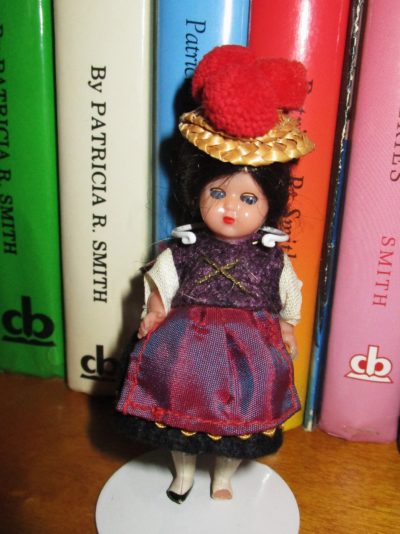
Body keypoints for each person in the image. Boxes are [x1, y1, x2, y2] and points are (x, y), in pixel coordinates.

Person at [116, 45, 314, 503]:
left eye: (248, 199)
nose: (230, 208)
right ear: (197, 191)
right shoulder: (187, 246)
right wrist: (155, 308)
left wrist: (287, 323)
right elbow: (163, 276)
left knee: (237, 425)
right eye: (218, 193)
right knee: (178, 418)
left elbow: (290, 291)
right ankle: (183, 474)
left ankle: (222, 478)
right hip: (186, 345)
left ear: (269, 204)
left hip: (249, 348)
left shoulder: (270, 256)